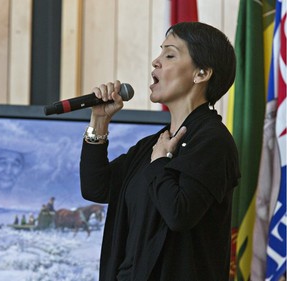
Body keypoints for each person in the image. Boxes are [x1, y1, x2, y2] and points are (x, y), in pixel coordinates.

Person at [80, 22, 241, 281]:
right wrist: (99, 121)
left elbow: (179, 214)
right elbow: (96, 187)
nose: (156, 61)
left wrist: (160, 163)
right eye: (159, 53)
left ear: (201, 73)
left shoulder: (213, 142)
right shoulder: (153, 144)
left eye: (169, 54)